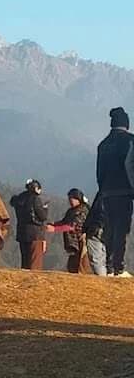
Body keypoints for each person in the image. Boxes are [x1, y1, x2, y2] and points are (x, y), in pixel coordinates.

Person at [96, 106, 134, 277]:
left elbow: (99, 172)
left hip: (107, 192)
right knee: (121, 229)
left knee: (110, 228)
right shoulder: (130, 141)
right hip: (124, 191)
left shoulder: (103, 144)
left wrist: (103, 189)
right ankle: (118, 267)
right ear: (126, 123)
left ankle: (109, 267)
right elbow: (130, 166)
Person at [47, 189, 91, 274]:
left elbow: (72, 226)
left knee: (82, 265)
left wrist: (55, 229)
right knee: (72, 265)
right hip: (73, 244)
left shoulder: (83, 210)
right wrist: (54, 224)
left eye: (72, 199)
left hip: (82, 241)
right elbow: (64, 222)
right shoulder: (71, 211)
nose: (70, 201)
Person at [9, 179, 49, 270]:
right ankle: (34, 282)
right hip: (35, 234)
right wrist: (45, 208)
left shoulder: (19, 199)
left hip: (22, 233)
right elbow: (42, 216)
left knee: (25, 261)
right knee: (35, 262)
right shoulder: (35, 199)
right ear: (36, 188)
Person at [83, 192, 108, 276]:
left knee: (97, 260)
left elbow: (95, 211)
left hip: (97, 228)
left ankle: (103, 282)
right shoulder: (124, 190)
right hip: (113, 229)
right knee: (106, 259)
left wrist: (86, 228)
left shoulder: (104, 192)